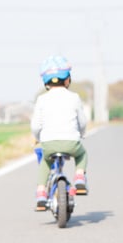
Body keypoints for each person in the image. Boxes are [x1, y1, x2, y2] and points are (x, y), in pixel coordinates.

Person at [31, 54, 89, 210]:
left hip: (49, 143)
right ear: (67, 79)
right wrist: (82, 133)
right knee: (82, 154)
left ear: (46, 81)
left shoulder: (42, 99)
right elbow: (82, 121)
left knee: (46, 161)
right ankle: (79, 178)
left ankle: (41, 193)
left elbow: (36, 125)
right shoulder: (74, 97)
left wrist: (37, 138)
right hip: (72, 142)